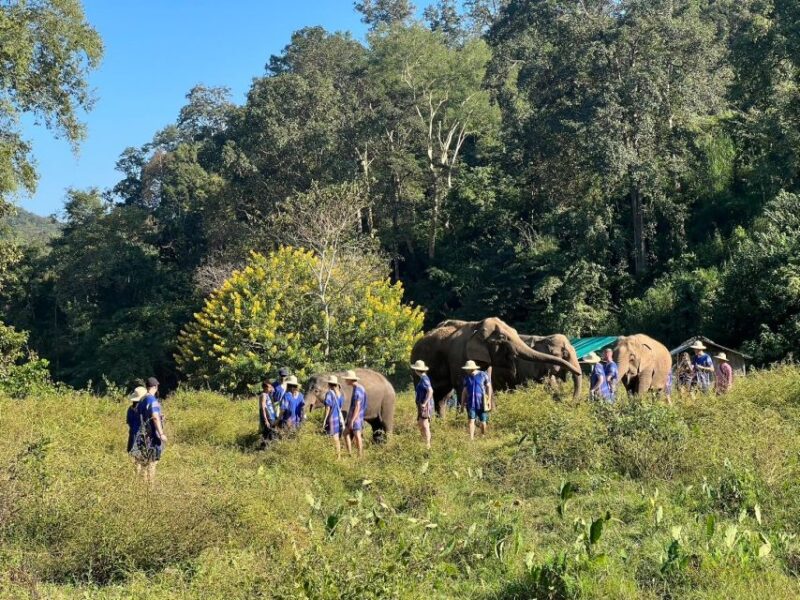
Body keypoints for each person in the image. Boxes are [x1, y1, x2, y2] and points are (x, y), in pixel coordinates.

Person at [136, 377, 167, 485]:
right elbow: (154, 417)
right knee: (152, 463)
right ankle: (150, 487)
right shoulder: (152, 400)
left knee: (144, 463)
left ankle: (142, 486)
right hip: (152, 436)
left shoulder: (142, 400)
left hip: (142, 435)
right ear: (155, 387)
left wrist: (159, 416)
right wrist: (161, 434)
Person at [460, 360, 492, 440]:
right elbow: (464, 391)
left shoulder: (483, 375)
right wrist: (462, 404)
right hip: (471, 403)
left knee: (483, 421)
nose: (466, 370)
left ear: (471, 368)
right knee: (471, 420)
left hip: (482, 403)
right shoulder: (467, 378)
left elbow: (488, 387)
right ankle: (471, 439)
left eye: (467, 369)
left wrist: (489, 400)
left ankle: (483, 435)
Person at [343, 370, 367, 458]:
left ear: (350, 379)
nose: (345, 381)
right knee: (346, 433)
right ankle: (350, 454)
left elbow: (357, 406)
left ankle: (359, 456)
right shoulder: (359, 387)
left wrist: (352, 420)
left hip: (356, 417)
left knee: (357, 435)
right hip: (355, 416)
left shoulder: (357, 390)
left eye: (346, 379)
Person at [412, 360, 434, 449]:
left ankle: (427, 445)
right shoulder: (423, 378)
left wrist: (425, 403)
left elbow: (430, 391)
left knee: (425, 425)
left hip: (425, 405)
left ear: (417, 370)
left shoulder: (424, 379)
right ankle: (424, 443)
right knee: (421, 424)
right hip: (421, 405)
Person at [322, 375, 345, 458]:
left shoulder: (329, 393)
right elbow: (341, 407)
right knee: (336, 437)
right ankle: (338, 456)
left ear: (329, 384)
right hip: (337, 418)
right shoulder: (340, 394)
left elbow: (328, 408)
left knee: (331, 437)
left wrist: (324, 419)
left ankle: (333, 456)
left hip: (331, 418)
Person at [126, 386, 146, 474]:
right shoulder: (144, 410)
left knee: (135, 460)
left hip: (132, 436)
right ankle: (143, 479)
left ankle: (136, 477)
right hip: (142, 436)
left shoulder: (130, 409)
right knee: (144, 461)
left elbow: (129, 422)